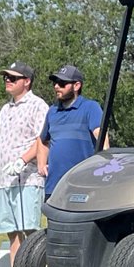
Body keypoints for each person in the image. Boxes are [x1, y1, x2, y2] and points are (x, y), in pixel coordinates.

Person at [0, 61, 49, 267]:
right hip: (6, 180)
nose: (8, 81)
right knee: (12, 231)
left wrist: (22, 161)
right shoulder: (5, 109)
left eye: (13, 78)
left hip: (28, 178)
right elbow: (0, 142)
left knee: (30, 230)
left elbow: (42, 140)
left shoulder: (38, 105)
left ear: (27, 81)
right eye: (6, 77)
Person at [37, 65, 107, 196]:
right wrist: (41, 164)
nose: (56, 86)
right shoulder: (52, 111)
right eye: (55, 82)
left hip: (83, 185)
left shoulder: (90, 107)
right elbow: (42, 141)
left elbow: (102, 139)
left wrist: (103, 166)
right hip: (54, 186)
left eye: (62, 83)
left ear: (76, 86)